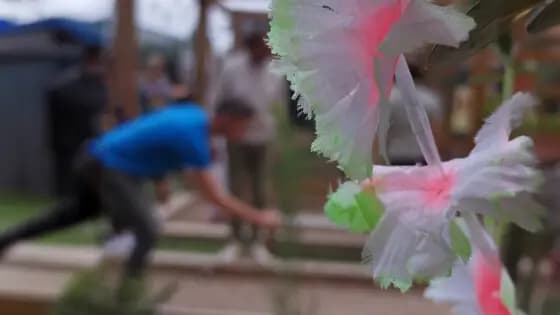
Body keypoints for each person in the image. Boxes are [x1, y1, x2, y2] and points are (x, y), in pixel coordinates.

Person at [0, 99, 281, 283]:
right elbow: (215, 197)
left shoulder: (193, 116)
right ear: (228, 119)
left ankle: (7, 240)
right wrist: (259, 217)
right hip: (107, 166)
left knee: (73, 215)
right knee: (147, 228)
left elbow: (152, 138)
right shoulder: (193, 138)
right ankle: (126, 295)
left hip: (98, 158)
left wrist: (160, 180)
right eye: (243, 126)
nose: (244, 133)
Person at [212, 20, 286, 262]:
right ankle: (235, 239)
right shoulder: (231, 68)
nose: (263, 51)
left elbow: (279, 107)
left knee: (260, 189)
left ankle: (257, 241)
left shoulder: (275, 71)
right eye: (258, 46)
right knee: (235, 187)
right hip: (237, 136)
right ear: (250, 46)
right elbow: (218, 100)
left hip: (263, 137)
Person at [47, 45, 107, 196]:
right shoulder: (71, 86)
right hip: (74, 145)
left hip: (74, 144)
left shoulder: (65, 84)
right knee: (73, 193)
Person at [386, 64, 444, 165]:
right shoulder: (431, 98)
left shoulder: (390, 99)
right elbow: (437, 131)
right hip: (423, 155)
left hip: (396, 154)